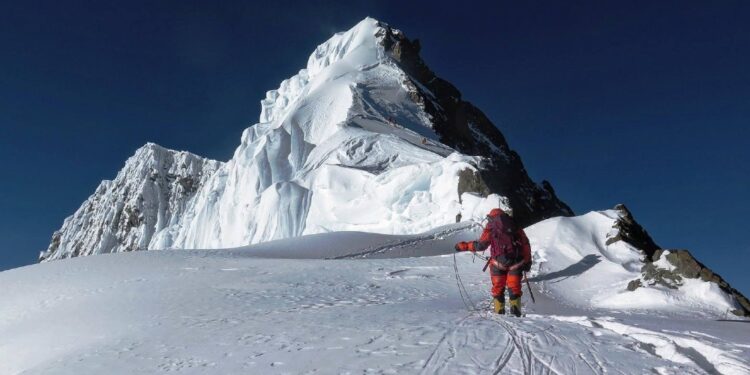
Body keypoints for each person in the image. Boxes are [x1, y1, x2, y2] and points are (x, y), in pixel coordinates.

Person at [455, 208, 531, 316]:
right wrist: (527, 263)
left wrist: (464, 246)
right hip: (516, 263)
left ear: (491, 217)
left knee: (498, 288)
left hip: (497, 263)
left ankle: (499, 313)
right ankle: (516, 314)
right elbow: (525, 244)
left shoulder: (491, 226)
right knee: (514, 288)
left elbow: (481, 245)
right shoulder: (515, 225)